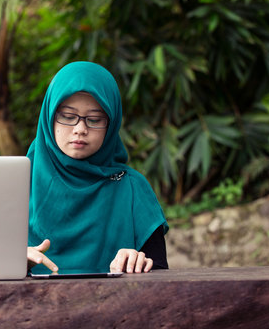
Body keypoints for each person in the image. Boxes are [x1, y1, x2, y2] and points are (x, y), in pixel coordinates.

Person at [26, 61, 169, 275]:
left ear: (111, 125)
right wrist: (13, 262)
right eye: (67, 116)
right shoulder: (19, 183)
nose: (80, 129)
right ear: (49, 117)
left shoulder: (131, 189)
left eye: (94, 119)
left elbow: (160, 276)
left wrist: (139, 262)